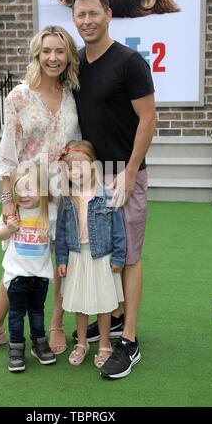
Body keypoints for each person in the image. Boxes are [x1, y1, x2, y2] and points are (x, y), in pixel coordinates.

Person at [0, 25, 81, 355]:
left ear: (69, 56)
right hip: (28, 198)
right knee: (17, 269)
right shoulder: (19, 96)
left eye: (60, 51)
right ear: (37, 54)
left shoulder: (74, 96)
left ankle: (56, 325)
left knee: (60, 262)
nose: (53, 58)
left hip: (63, 194)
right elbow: (8, 151)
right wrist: (7, 201)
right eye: (47, 51)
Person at [71, 0, 157, 379]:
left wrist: (129, 170)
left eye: (93, 13)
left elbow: (148, 120)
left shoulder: (129, 62)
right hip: (88, 179)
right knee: (100, 256)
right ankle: (116, 317)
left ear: (107, 14)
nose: (87, 21)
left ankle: (130, 340)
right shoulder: (76, 64)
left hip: (125, 174)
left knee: (129, 258)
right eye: (80, 15)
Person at [55, 140, 126, 368]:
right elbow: (62, 232)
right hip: (77, 257)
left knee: (104, 303)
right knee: (81, 304)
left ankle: (104, 344)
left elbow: (118, 230)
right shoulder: (68, 199)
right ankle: (82, 343)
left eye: (82, 166)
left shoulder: (106, 196)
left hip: (101, 257)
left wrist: (118, 258)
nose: (77, 172)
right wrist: (62, 260)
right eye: (72, 169)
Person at [0, 163, 57, 372]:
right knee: (15, 314)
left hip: (40, 276)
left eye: (30, 188)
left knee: (37, 312)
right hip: (17, 276)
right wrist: (9, 229)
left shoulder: (51, 213)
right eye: (19, 189)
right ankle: (16, 348)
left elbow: (59, 240)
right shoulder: (13, 213)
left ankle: (39, 344)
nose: (24, 194)